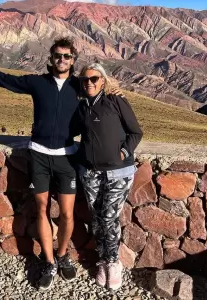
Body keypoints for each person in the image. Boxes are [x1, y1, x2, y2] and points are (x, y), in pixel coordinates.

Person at [0, 38, 82, 291]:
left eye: (67, 56)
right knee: (42, 209)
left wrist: (115, 88)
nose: (62, 60)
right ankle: (49, 261)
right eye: (57, 56)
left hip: (68, 156)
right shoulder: (38, 83)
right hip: (40, 155)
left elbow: (102, 90)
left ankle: (63, 254)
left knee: (67, 213)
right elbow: (5, 80)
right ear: (51, 58)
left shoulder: (79, 86)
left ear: (73, 60)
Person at [71, 63, 143, 291]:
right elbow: (68, 130)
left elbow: (136, 132)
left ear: (102, 81)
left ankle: (113, 263)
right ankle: (103, 260)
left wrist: (123, 152)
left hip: (118, 172)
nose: (89, 83)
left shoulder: (116, 101)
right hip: (90, 172)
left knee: (109, 217)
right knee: (97, 217)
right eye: (85, 80)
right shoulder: (81, 107)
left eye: (94, 79)